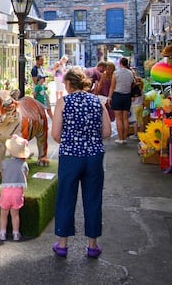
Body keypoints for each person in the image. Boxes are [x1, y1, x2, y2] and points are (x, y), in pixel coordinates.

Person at [50, 67, 112, 258]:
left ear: (68, 84)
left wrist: (71, 140)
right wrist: (90, 138)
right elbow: (107, 132)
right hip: (93, 156)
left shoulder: (63, 102)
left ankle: (62, 244)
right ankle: (92, 245)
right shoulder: (97, 101)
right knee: (93, 199)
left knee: (66, 198)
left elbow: (55, 135)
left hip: (70, 156)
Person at [0, 135, 30, 242]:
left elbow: (2, 172)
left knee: (3, 214)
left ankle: (2, 233)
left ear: (10, 151)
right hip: (17, 192)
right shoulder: (23, 164)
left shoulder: (5, 163)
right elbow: (26, 174)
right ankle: (16, 234)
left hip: (6, 192)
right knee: (15, 215)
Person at [109, 57, 135, 144]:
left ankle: (120, 138)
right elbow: (132, 85)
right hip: (127, 96)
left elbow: (112, 86)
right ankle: (125, 138)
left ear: (120, 63)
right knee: (125, 118)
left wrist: (109, 97)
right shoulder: (131, 73)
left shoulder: (116, 73)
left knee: (118, 119)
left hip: (117, 95)